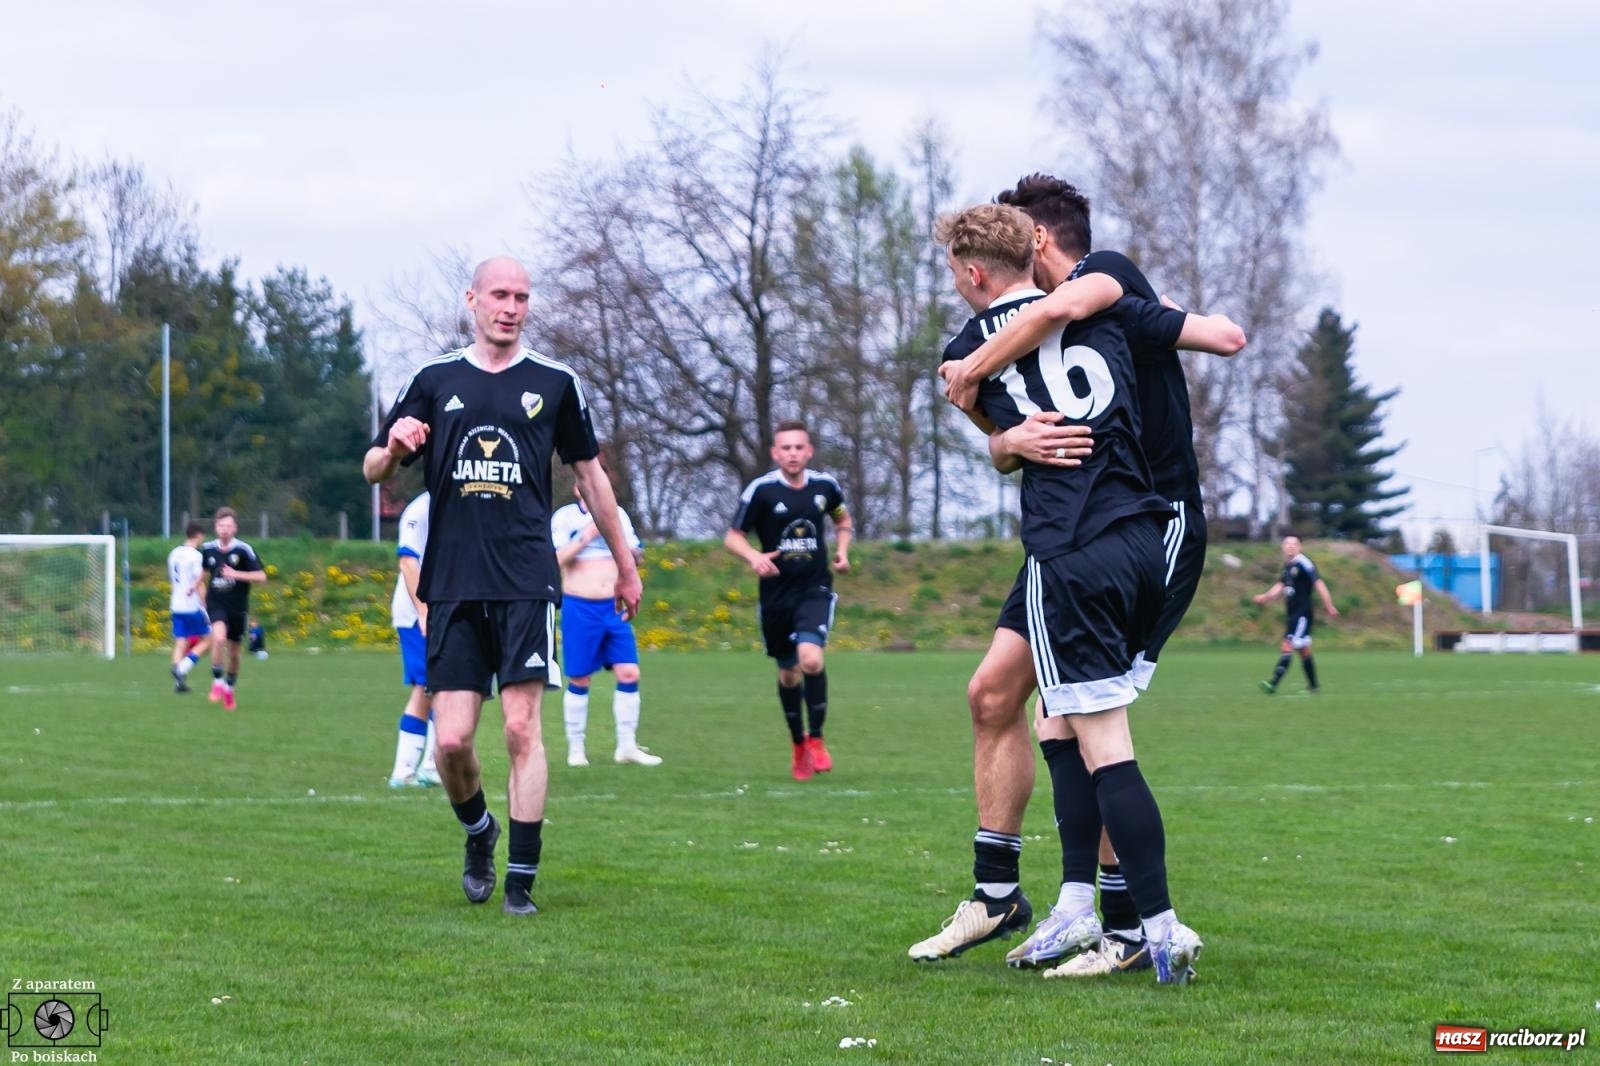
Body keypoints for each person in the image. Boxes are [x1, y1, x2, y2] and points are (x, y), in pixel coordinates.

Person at [908, 203, 1241, 985]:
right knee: (1027, 709)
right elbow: (1218, 337)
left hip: (1088, 543)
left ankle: (1144, 924)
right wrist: (1006, 441)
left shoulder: (1022, 324)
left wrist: (980, 394)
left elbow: (985, 382)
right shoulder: (1111, 310)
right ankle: (1058, 903)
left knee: (1094, 732)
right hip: (1123, 531)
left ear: (973, 272)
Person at [363, 256, 641, 917]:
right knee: (453, 741)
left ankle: (520, 882)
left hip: (525, 578)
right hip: (453, 583)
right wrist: (398, 446)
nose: (512, 306)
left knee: (521, 729)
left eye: (521, 296)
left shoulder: (555, 382)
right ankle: (478, 832)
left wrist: (626, 564)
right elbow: (374, 469)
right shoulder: (434, 380)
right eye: (500, 295)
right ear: (473, 300)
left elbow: (593, 478)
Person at [723, 421, 852, 781]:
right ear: (775, 453)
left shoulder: (825, 486)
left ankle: (817, 739)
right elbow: (733, 537)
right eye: (786, 448)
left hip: (815, 589)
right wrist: (754, 557)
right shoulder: (761, 491)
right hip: (776, 595)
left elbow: (843, 519)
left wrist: (842, 552)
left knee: (811, 659)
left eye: (799, 448)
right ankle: (798, 744)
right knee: (788, 673)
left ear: (809, 451)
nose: (793, 454)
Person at [552, 467, 661, 768]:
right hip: (580, 606)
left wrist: (624, 546)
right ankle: (576, 749)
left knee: (629, 673)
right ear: (578, 487)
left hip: (613, 607)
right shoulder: (564, 518)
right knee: (580, 677)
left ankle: (626, 746)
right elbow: (556, 558)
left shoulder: (618, 515)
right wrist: (588, 536)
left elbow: (636, 553)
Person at [388, 490, 440, 789]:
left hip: (446, 612)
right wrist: (424, 612)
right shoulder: (421, 509)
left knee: (439, 688)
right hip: (416, 613)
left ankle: (427, 768)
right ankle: (407, 770)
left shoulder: (461, 500)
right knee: (429, 687)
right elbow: (408, 562)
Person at [201, 507, 267, 711]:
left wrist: (235, 574)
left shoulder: (244, 550)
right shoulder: (208, 549)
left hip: (238, 607)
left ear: (235, 528)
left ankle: (229, 688)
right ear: (215, 527)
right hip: (216, 604)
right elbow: (200, 579)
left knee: (235, 654)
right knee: (218, 638)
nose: (224, 529)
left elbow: (261, 577)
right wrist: (204, 604)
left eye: (228, 526)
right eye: (221, 525)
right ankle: (217, 682)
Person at [1254, 535, 1338, 693]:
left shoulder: (1304, 562)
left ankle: (1273, 683)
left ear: (1300, 547)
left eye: (1294, 544)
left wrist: (1329, 605)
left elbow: (1318, 583)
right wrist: (1264, 597)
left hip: (1302, 613)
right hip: (1293, 613)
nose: (1291, 546)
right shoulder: (1288, 566)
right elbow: (1279, 586)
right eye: (1287, 544)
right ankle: (1314, 687)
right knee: (1304, 650)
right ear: (1283, 548)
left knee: (1287, 644)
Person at [167, 521, 210, 693]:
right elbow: (198, 583)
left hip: (176, 604)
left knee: (181, 641)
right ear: (199, 535)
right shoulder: (196, 556)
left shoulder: (173, 554)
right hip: (191, 605)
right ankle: (182, 667)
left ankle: (179, 684)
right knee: (210, 639)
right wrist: (206, 605)